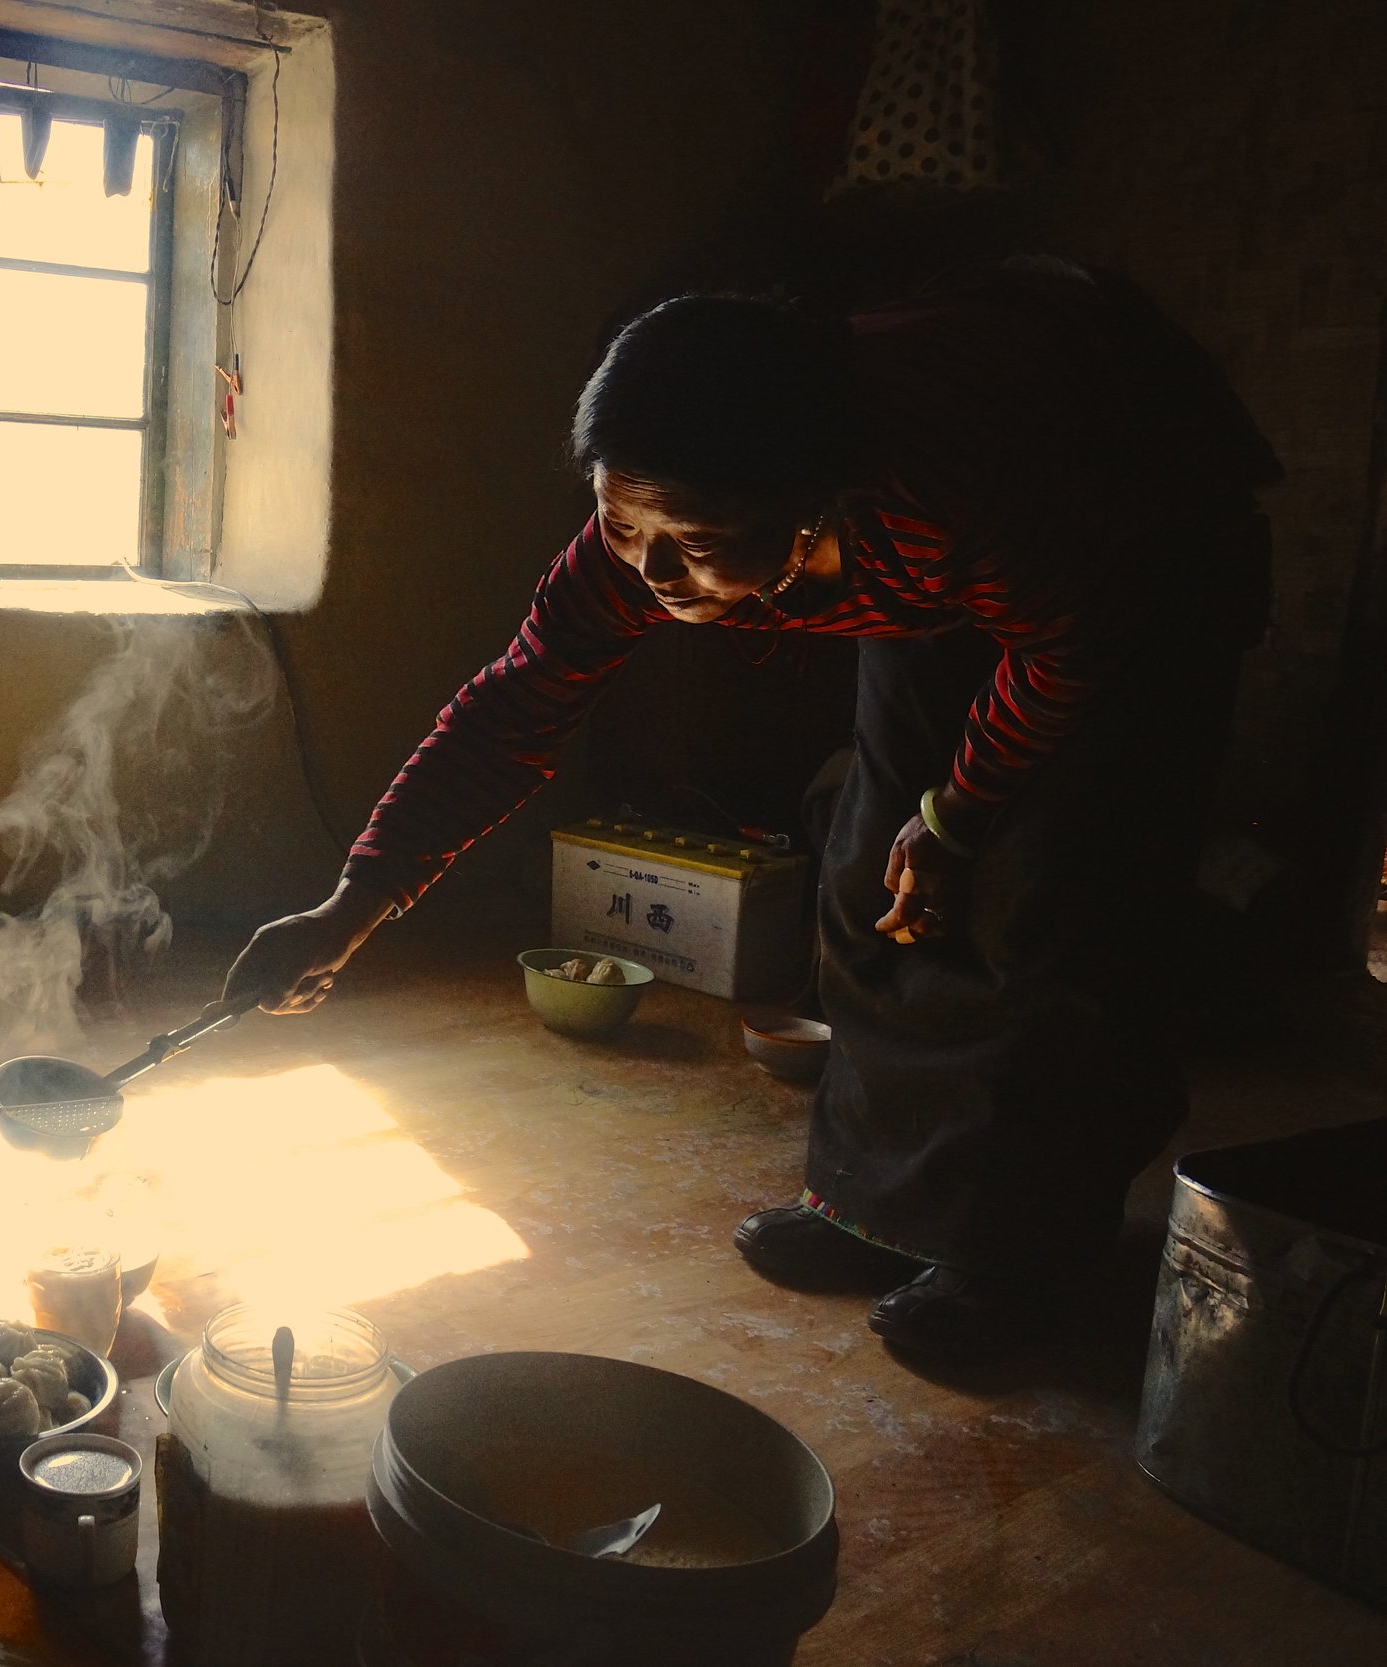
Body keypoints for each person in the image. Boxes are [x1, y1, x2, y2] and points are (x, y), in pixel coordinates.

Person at [224, 258, 1280, 1360]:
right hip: (952, 562)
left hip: (1134, 561)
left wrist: (960, 810)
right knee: (868, 862)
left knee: (1055, 896)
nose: (652, 571)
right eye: (623, 524)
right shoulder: (651, 531)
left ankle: (1016, 1254)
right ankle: (876, 1205)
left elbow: (1068, 646)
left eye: (694, 539)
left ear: (813, 502)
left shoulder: (947, 482)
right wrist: (354, 904)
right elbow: (515, 705)